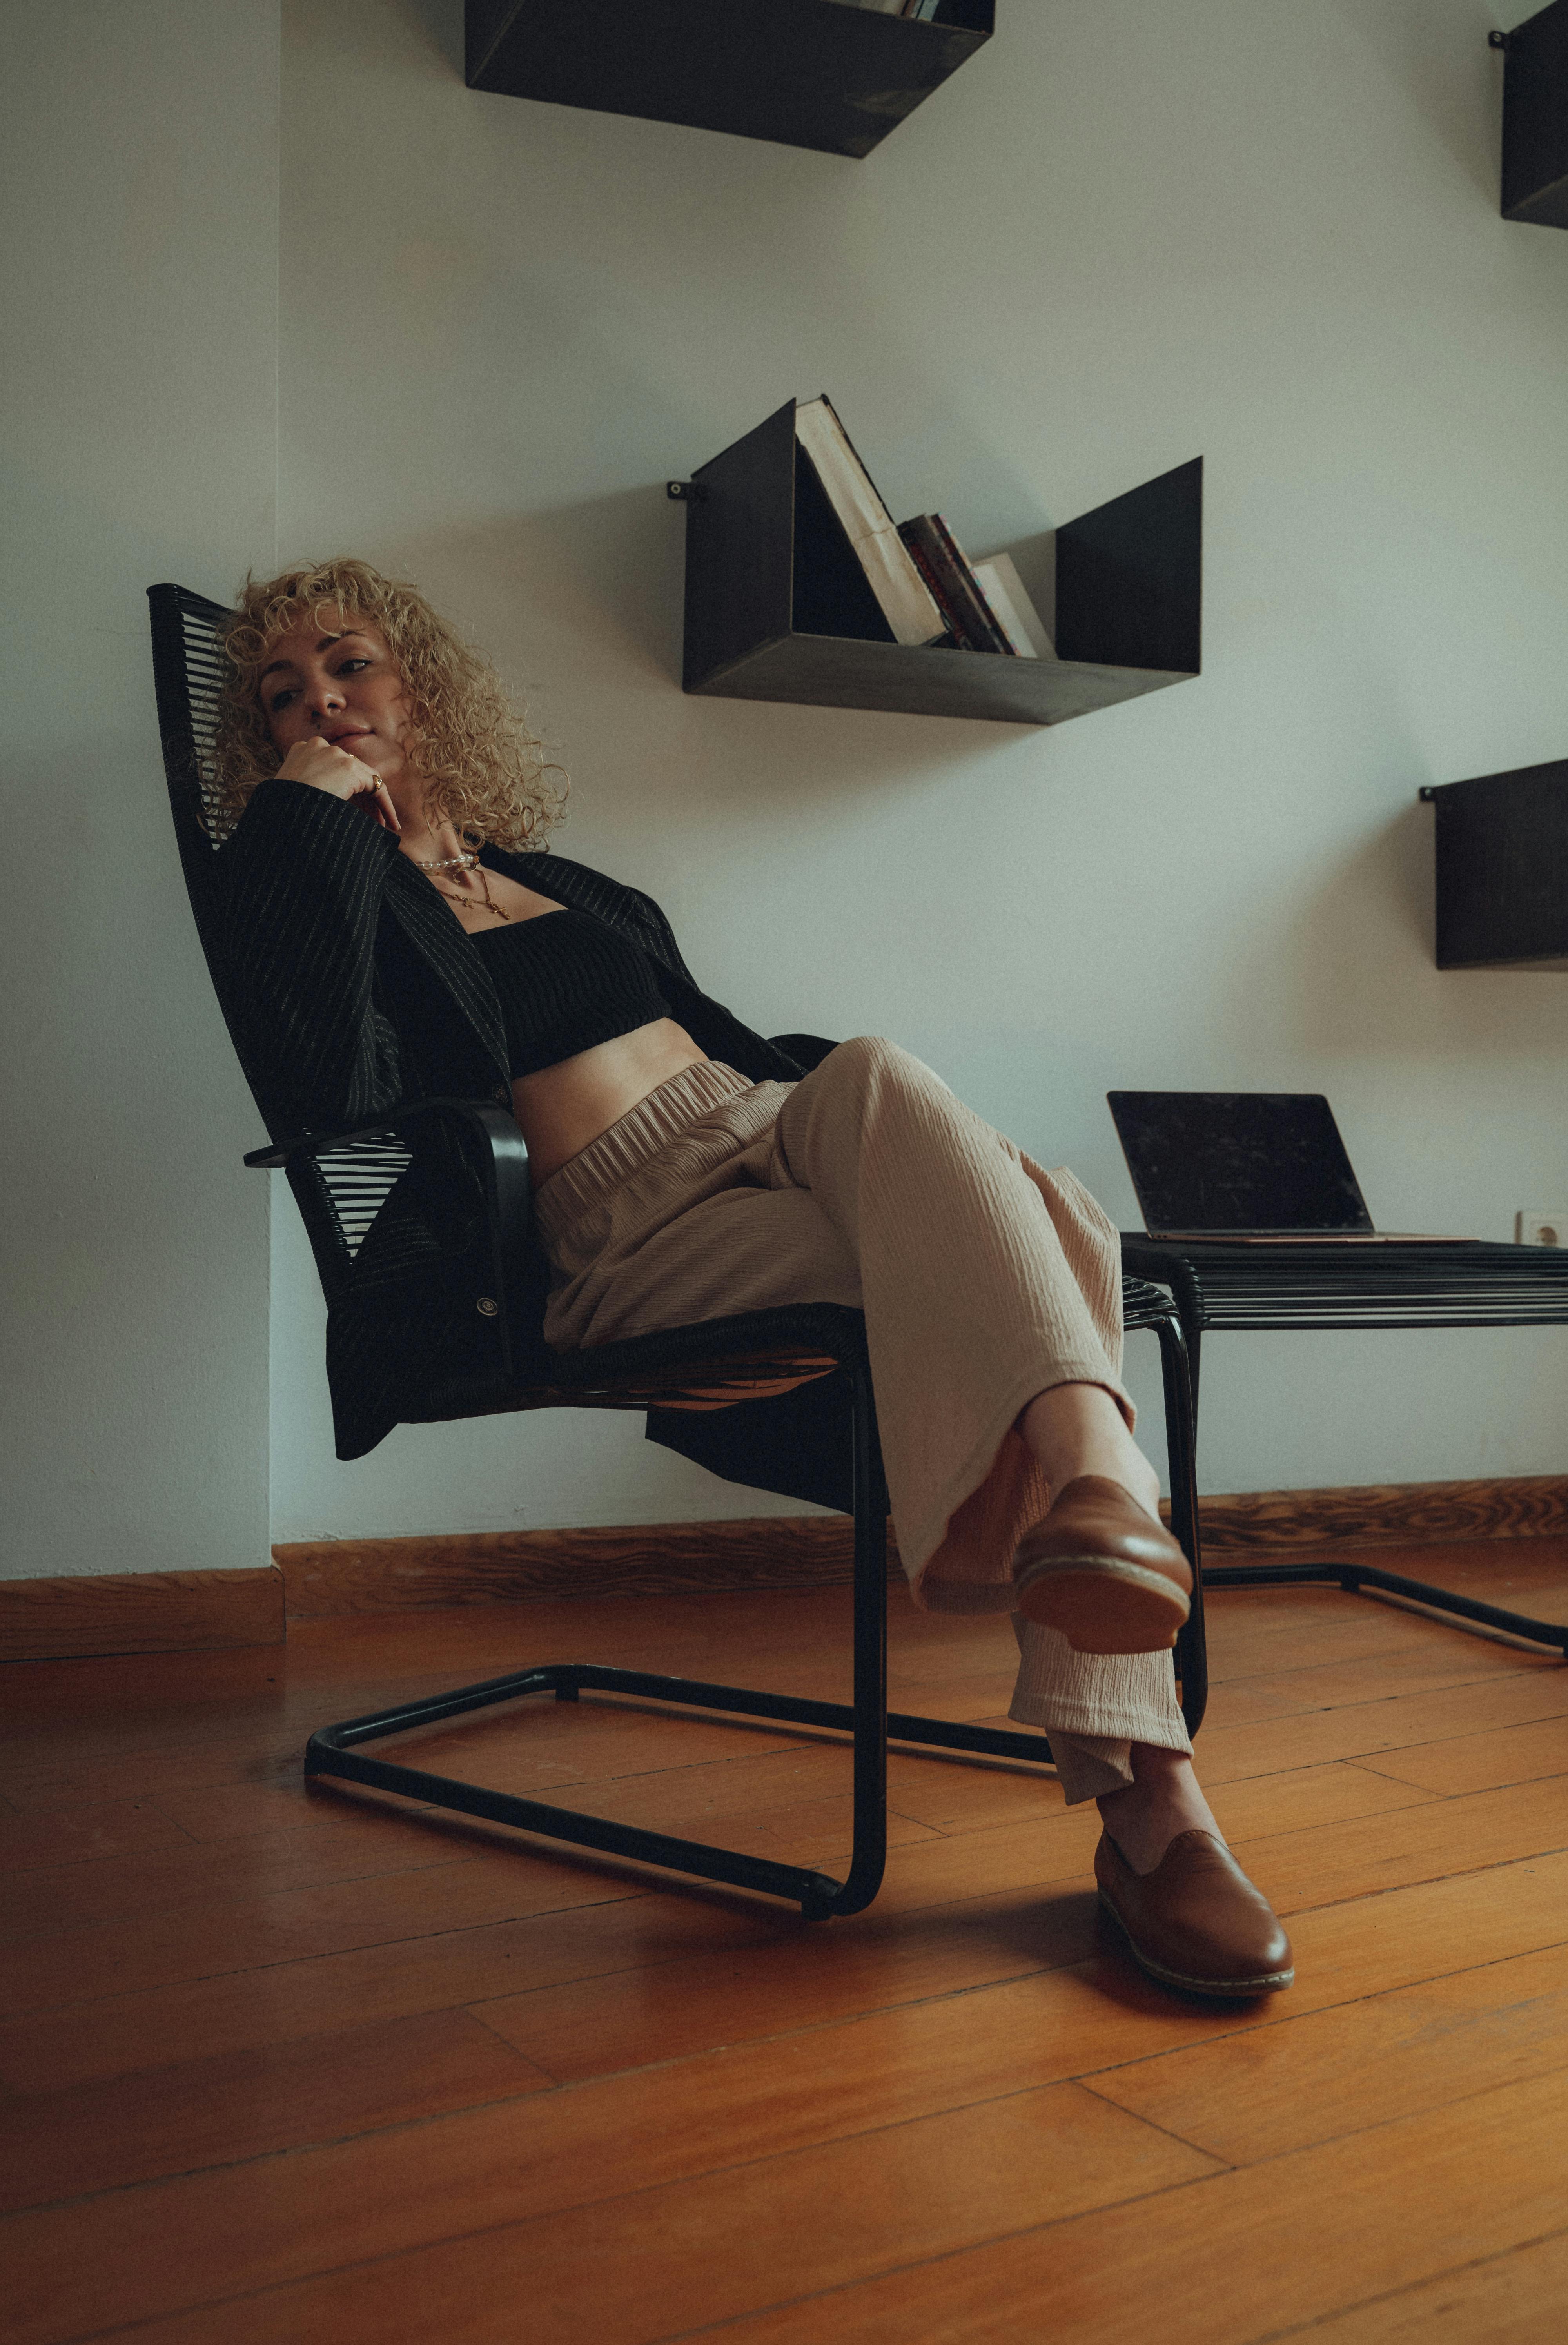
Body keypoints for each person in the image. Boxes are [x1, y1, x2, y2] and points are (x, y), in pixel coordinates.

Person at [210, 555, 1292, 2000]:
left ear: (421, 680)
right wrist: (307, 818)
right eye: (284, 697)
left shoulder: (563, 883)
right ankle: (1154, 1785)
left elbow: (740, 1048)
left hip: (765, 1128)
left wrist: (847, 1134)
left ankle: (1093, 1502)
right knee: (1051, 1230)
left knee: (896, 1090)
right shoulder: (314, 887)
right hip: (621, 1228)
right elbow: (325, 1084)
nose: (322, 704)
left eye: (347, 665)